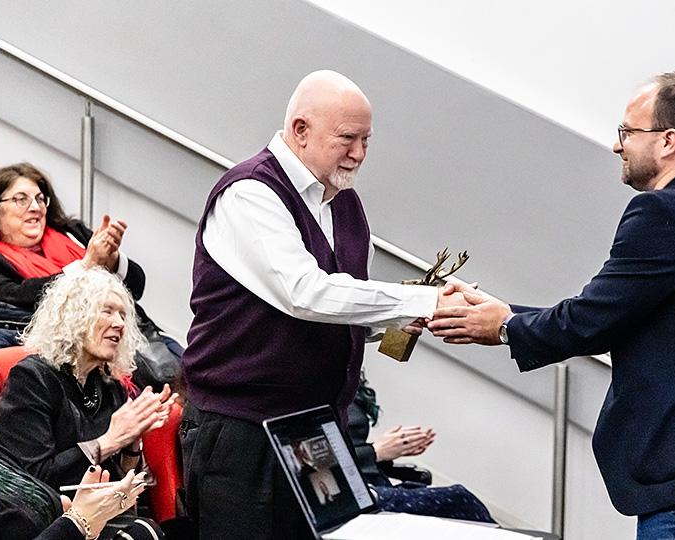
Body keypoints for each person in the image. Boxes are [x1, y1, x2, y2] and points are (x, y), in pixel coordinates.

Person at [429, 72, 675, 539]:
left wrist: (504, 326)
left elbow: (590, 319)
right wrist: (502, 312)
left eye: (627, 132)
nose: (617, 145)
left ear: (668, 141)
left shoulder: (665, 213)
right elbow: (613, 314)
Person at [181, 69, 466, 539]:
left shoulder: (346, 203)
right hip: (243, 434)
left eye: (367, 140)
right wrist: (425, 299)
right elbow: (305, 293)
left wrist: (404, 319)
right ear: (300, 130)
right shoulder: (250, 192)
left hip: (316, 429)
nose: (359, 153)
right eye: (347, 138)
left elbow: (338, 311)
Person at [0, 315, 160, 539]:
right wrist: (79, 521)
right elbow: (51, 488)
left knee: (144, 530)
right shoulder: (33, 378)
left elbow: (55, 515)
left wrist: (89, 512)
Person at [0, 268, 176, 490]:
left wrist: (132, 438)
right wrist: (110, 440)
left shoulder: (110, 386)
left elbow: (127, 485)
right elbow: (34, 478)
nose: (120, 324)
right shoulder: (31, 379)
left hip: (106, 506)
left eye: (122, 315)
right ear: (74, 316)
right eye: (107, 311)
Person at [0, 163, 142, 349]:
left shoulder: (72, 234)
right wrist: (85, 266)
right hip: (63, 350)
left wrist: (111, 260)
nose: (35, 207)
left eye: (40, 199)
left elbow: (137, 288)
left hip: (132, 336)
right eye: (21, 200)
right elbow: (23, 297)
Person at [347, 373, 494, 523]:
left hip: (369, 484)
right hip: (355, 496)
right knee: (459, 498)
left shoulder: (345, 372)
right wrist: (375, 452)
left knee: (460, 502)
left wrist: (391, 450)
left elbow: (348, 445)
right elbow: (331, 462)